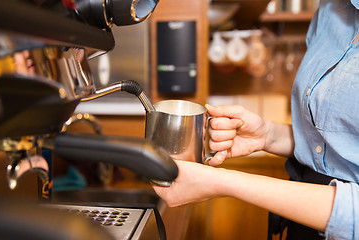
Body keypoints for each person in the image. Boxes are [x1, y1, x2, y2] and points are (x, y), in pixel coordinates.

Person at [152, 0, 359, 239]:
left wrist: (222, 182)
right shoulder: (332, 8)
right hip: (302, 227)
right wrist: (269, 135)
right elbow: (336, 149)